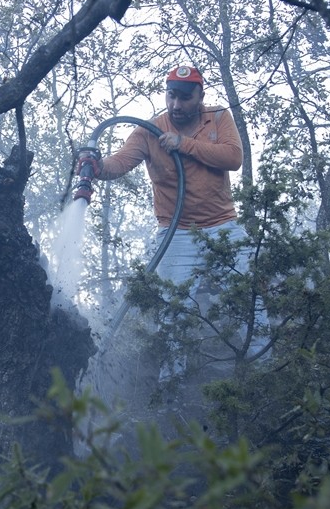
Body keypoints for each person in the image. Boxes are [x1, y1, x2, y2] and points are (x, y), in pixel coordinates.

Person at [80, 65, 266, 370]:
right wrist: (96, 167)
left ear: (200, 97)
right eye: (171, 96)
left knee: (252, 301)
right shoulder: (149, 131)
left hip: (224, 226)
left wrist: (184, 145)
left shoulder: (218, 118)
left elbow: (234, 158)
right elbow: (120, 163)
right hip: (176, 234)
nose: (176, 105)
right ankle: (171, 387)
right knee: (172, 313)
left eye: (184, 98)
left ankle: (262, 370)